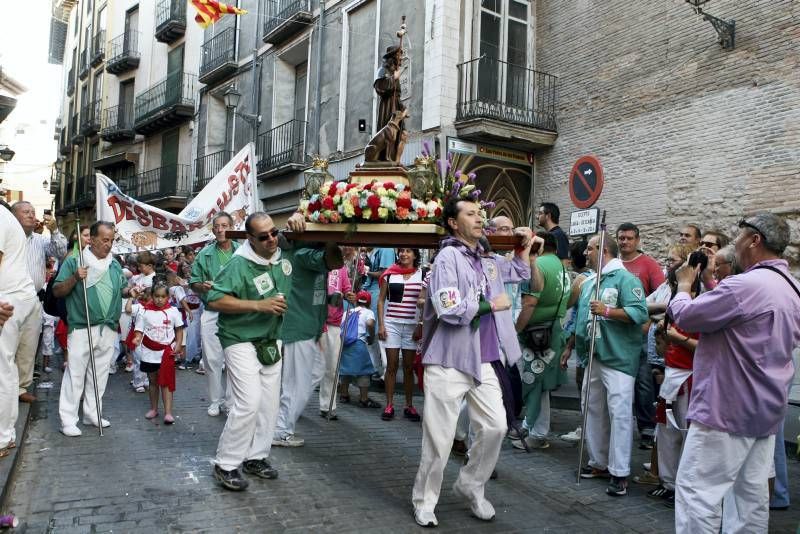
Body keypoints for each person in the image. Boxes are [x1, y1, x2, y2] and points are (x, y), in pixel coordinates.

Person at [668, 212, 800, 533]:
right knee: (750, 500)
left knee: (698, 496)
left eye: (739, 237)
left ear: (755, 240)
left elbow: (684, 316)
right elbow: (742, 320)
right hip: (765, 411)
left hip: (725, 411)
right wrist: (711, 285)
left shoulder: (746, 285)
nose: (736, 244)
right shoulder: (793, 287)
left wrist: (684, 285)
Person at [411, 197, 532, 528]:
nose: (480, 218)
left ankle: (470, 484)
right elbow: (448, 308)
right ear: (453, 222)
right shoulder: (446, 257)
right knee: (440, 437)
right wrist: (491, 305)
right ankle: (424, 500)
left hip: (484, 359)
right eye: (471, 213)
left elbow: (519, 272)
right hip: (449, 358)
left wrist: (523, 249)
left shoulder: (488, 259)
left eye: (481, 213)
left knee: (496, 427)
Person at [207, 213, 292, 491]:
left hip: (271, 339)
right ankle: (226, 464)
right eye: (263, 236)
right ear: (249, 239)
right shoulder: (238, 263)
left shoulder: (281, 253)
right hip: (239, 338)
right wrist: (259, 306)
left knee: (268, 404)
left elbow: (325, 251)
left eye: (273, 232)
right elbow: (215, 299)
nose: (271, 239)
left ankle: (256, 457)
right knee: (249, 402)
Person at [567, 232, 648, 497]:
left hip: (618, 359)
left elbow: (639, 313)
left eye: (590, 249)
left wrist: (608, 311)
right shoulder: (590, 281)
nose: (585, 253)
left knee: (620, 414)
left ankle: (620, 471)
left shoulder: (627, 279)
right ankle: (598, 461)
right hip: (593, 356)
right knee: (591, 408)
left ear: (603, 250)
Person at [53, 221, 127, 436]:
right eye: (105, 240)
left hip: (108, 327)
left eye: (112, 240)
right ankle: (68, 419)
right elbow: (57, 291)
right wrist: (76, 277)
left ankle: (92, 413)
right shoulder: (75, 261)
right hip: (81, 326)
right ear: (92, 239)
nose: (109, 245)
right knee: (75, 373)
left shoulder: (114, 264)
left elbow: (122, 288)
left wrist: (131, 292)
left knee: (100, 374)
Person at [272, 232, 343, 447]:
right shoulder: (303, 253)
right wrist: (334, 231)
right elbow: (335, 260)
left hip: (311, 326)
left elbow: (312, 287)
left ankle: (283, 419)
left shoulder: (304, 252)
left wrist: (330, 298)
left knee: (313, 374)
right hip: (300, 327)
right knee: (297, 383)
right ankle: (281, 429)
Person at [512, 231, 570, 450]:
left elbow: (529, 304)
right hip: (553, 330)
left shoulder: (536, 265)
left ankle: (537, 433)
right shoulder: (563, 266)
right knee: (542, 384)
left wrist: (515, 330)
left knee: (533, 382)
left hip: (535, 334)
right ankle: (535, 428)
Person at [10, 201, 67, 403]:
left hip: (33, 299)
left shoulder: (40, 240)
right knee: (8, 346)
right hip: (9, 298)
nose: (31, 215)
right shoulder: (7, 237)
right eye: (26, 212)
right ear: (13, 216)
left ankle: (21, 387)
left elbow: (60, 252)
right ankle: (6, 388)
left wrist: (55, 231)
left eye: (32, 212)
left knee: (28, 344)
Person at [616, 222, 666, 450]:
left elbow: (663, 299)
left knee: (644, 383)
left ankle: (646, 428)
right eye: (621, 238)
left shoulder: (648, 265)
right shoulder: (614, 265)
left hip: (642, 335)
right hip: (617, 335)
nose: (624, 242)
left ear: (637, 240)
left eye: (628, 238)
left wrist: (646, 323)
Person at [190, 212, 238, 416]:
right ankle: (215, 401)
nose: (220, 229)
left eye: (224, 225)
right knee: (212, 360)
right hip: (211, 312)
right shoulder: (205, 253)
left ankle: (231, 402)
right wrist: (204, 286)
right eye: (216, 226)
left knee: (235, 359)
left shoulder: (242, 251)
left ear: (232, 227)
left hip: (237, 313)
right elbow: (193, 283)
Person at [0, 201, 38, 453]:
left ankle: (2, 436)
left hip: (9, 298)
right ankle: (5, 433)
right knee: (6, 367)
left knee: (2, 368)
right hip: (15, 296)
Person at [377, 248, 423, 422]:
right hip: (392, 324)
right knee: (392, 365)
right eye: (402, 251)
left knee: (409, 368)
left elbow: (425, 300)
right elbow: (381, 300)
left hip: (412, 326)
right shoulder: (390, 274)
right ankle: (389, 405)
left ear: (415, 255)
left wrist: (421, 325)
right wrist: (381, 324)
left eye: (408, 252)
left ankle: (409, 405)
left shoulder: (422, 274)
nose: (404, 254)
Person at [131, 281, 184, 425]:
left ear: (168, 297)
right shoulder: (145, 311)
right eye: (156, 296)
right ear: (152, 296)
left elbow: (179, 330)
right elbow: (139, 330)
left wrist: (178, 345)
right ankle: (154, 408)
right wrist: (137, 338)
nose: (159, 299)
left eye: (163, 296)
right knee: (153, 381)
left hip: (166, 353)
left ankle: (168, 412)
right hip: (149, 352)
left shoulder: (173, 311)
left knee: (166, 382)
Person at [318, 257, 354, 419]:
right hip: (313, 321)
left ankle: (327, 405)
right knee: (308, 367)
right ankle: (293, 405)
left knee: (332, 367)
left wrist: (350, 295)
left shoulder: (342, 268)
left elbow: (347, 289)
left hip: (334, 322)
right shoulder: (316, 261)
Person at [338, 291, 381, 409]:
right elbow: (370, 324)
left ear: (356, 301)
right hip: (359, 343)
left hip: (345, 344)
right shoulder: (369, 312)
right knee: (364, 371)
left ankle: (344, 395)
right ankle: (364, 399)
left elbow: (341, 326)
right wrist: (371, 337)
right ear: (369, 302)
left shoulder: (348, 311)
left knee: (344, 370)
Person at [363, 247, 395, 378]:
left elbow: (385, 273)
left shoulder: (386, 249)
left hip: (379, 292)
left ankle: (386, 371)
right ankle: (375, 367)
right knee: (369, 332)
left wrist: (367, 271)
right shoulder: (370, 250)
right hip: (368, 292)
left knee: (380, 332)